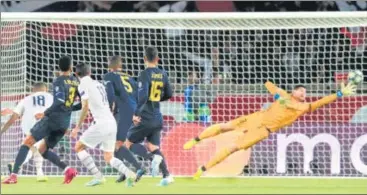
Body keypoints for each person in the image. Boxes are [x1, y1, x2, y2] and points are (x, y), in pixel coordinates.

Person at [183, 81, 356, 179]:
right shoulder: (284, 95)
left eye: (305, 93)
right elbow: (268, 84)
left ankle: (203, 169)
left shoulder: (301, 107)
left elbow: (319, 103)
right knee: (225, 126)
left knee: (233, 148)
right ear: (294, 91)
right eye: (302, 92)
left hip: (263, 130)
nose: (304, 95)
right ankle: (196, 140)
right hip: (256, 117)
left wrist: (339, 94)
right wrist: (276, 96)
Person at [2, 56, 80, 184]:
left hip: (50, 120)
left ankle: (13, 176)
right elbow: (79, 105)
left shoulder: (57, 82)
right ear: (71, 67)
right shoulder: (76, 82)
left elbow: (58, 102)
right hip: (64, 122)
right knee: (42, 150)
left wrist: (44, 113)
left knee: (27, 143)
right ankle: (68, 169)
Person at [71, 63, 136, 187]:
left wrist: (78, 126)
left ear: (76, 74)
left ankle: (98, 177)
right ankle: (129, 173)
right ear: (90, 73)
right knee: (108, 157)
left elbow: (84, 106)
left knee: (78, 147)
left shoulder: (83, 84)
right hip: (111, 122)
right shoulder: (99, 84)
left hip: (101, 123)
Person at [125, 46, 174, 186]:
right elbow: (169, 94)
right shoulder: (163, 73)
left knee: (128, 144)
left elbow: (143, 97)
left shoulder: (144, 74)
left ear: (144, 59)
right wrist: (156, 99)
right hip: (157, 117)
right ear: (158, 59)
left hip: (145, 116)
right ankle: (166, 175)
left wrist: (136, 114)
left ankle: (151, 159)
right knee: (153, 146)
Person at [103, 55, 149, 183]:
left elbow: (110, 96)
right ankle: (123, 172)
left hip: (123, 111)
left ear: (109, 65)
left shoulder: (108, 76)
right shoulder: (129, 77)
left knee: (118, 144)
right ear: (120, 65)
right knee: (119, 142)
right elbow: (138, 95)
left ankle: (139, 168)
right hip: (133, 110)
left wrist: (109, 110)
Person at [1, 82, 53, 182]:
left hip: (29, 127)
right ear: (45, 90)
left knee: (33, 148)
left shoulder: (26, 99)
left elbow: (13, 118)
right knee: (37, 148)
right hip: (44, 125)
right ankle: (17, 166)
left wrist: (3, 130)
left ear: (33, 90)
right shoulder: (50, 97)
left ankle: (39, 173)